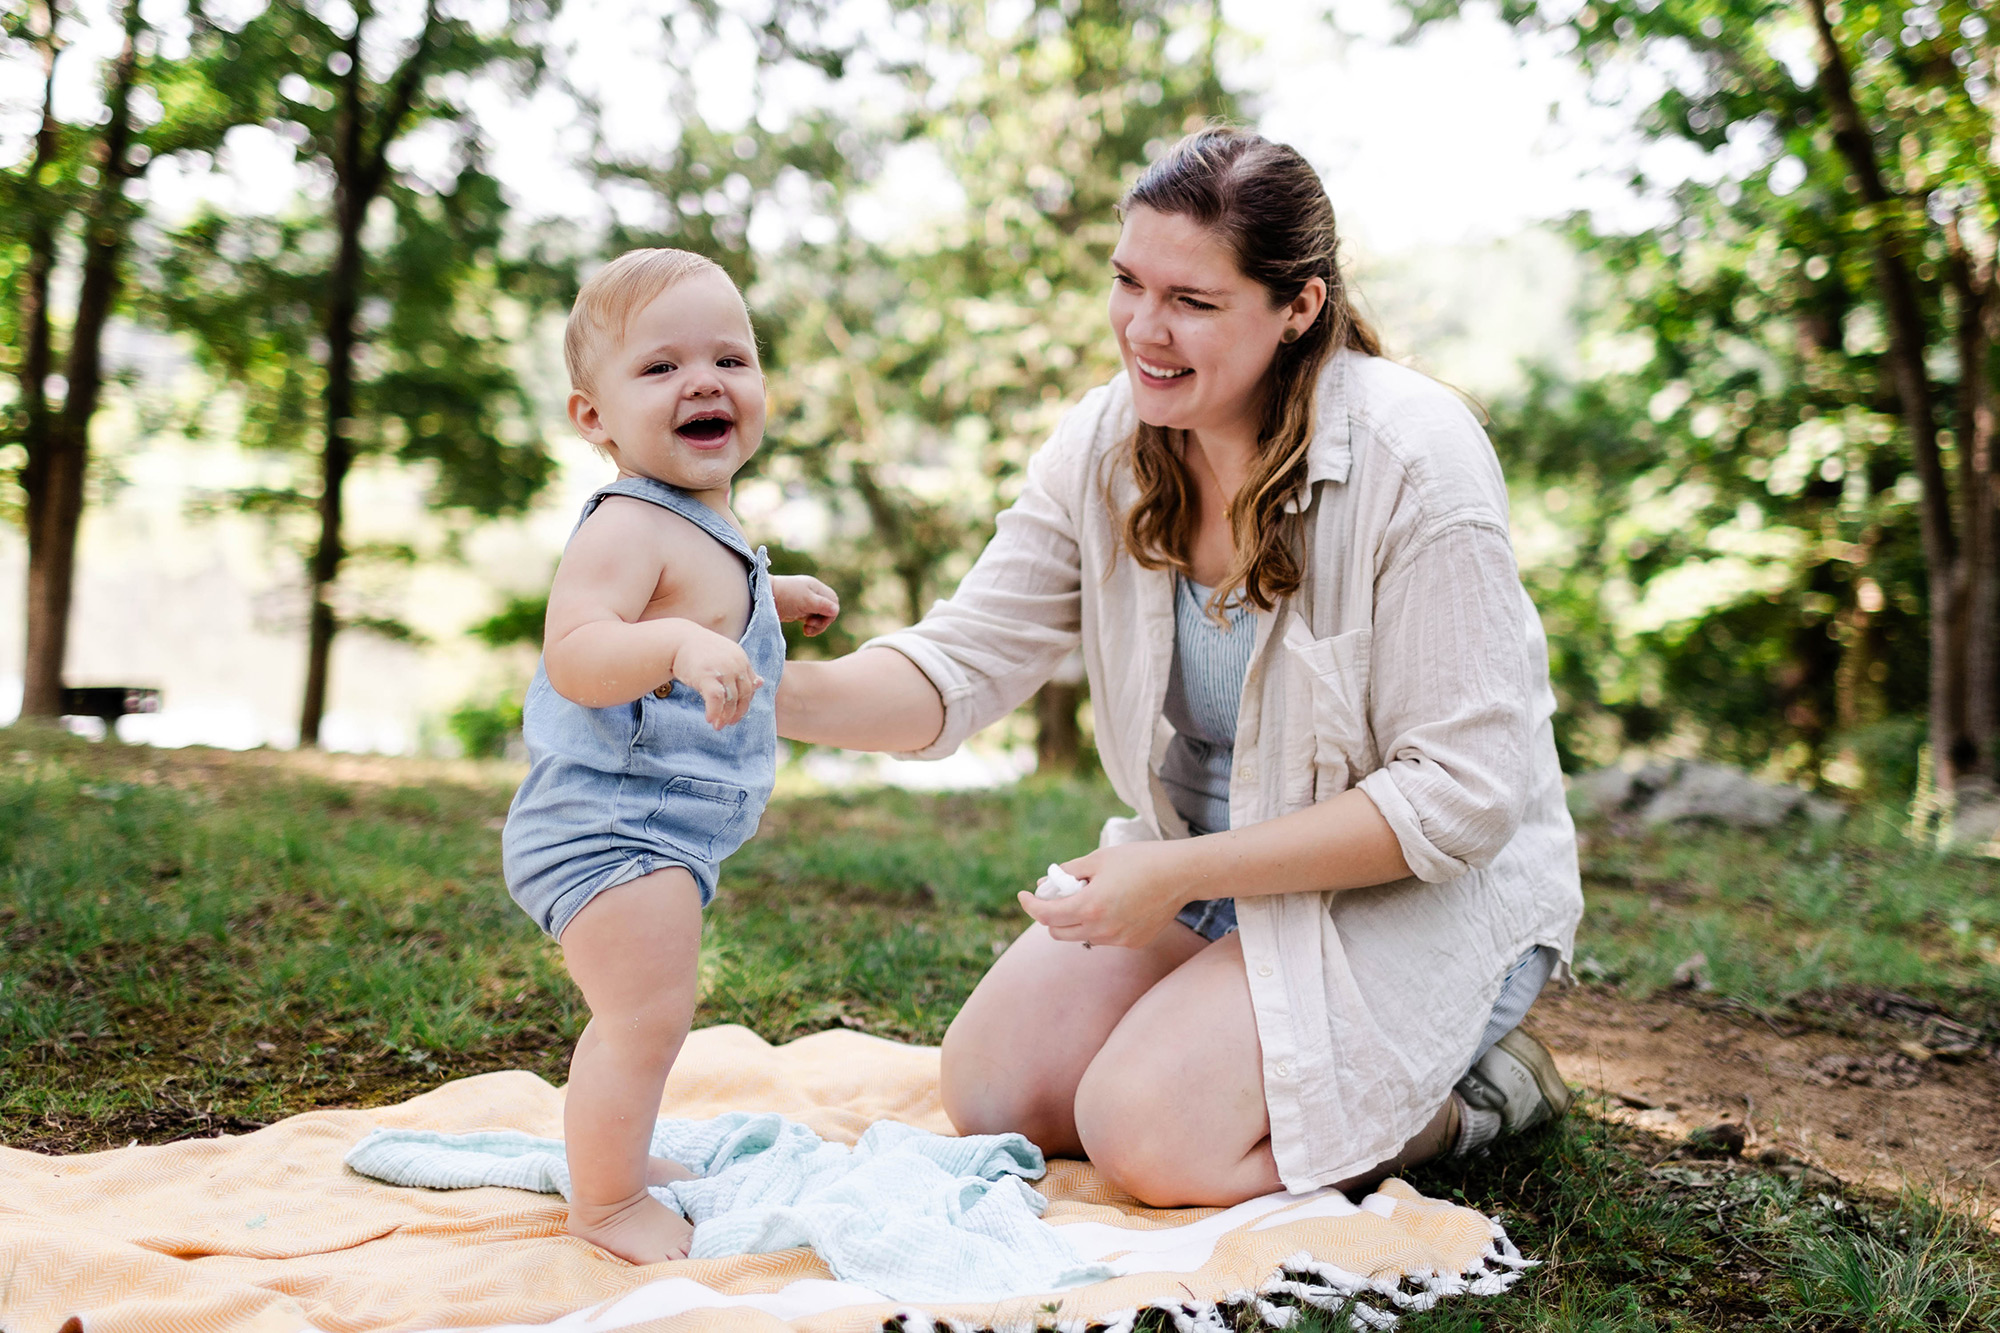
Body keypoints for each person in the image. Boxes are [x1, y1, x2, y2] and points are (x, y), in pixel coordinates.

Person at [778, 128, 1582, 1208]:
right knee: (993, 1090)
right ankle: (1248, 1037)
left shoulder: (1412, 457)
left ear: (1297, 306)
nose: (1142, 331)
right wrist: (758, 689)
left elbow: (1461, 801)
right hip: (1201, 871)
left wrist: (1177, 876)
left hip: (1408, 892)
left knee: (1148, 1136)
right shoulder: (1106, 441)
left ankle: (1474, 1099)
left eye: (1192, 302)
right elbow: (961, 659)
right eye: (1126, 282)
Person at [501, 248, 840, 1263]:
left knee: (651, 1013)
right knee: (644, 1015)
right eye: (659, 369)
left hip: (654, 828)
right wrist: (679, 647)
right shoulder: (624, 524)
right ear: (593, 417)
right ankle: (604, 1204)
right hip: (605, 825)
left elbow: (704, 593)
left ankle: (622, 1154)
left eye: (729, 359)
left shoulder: (702, 521)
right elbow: (577, 654)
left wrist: (768, 604)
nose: (703, 382)